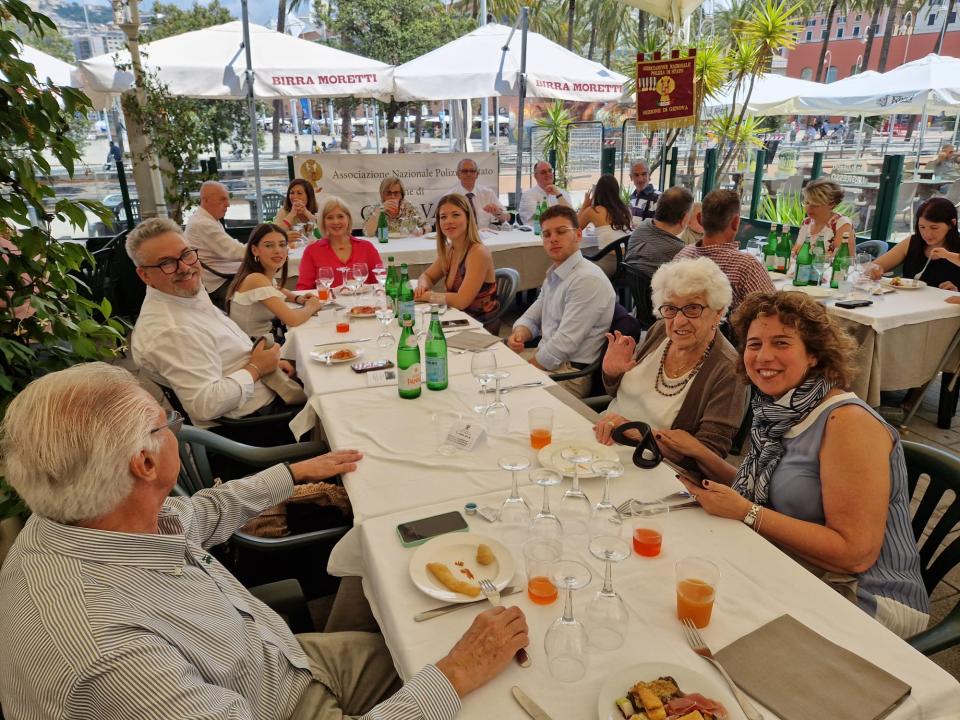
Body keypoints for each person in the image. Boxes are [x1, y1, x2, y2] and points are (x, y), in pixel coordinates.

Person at [0, 362, 530, 720]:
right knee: (484, 689)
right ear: (143, 463)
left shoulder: (82, 520)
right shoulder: (110, 655)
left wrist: (295, 473)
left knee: (441, 643)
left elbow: (202, 512)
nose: (177, 432)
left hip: (277, 660)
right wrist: (452, 675)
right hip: (273, 706)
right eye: (169, 426)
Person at [656, 291, 930, 637]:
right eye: (753, 344)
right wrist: (699, 454)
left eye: (781, 343)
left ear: (814, 354)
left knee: (705, 628)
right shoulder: (779, 408)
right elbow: (765, 490)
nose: (763, 356)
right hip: (792, 564)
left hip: (862, 597)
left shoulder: (846, 422)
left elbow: (854, 554)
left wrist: (746, 513)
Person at [128, 218, 301, 430]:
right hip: (256, 427)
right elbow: (205, 405)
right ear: (144, 275)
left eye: (186, 254)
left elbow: (224, 351)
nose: (184, 268)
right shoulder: (170, 329)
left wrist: (267, 364)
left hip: (269, 390)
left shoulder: (183, 294)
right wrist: (257, 368)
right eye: (166, 263)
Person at [594, 258, 744, 459]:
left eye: (693, 308)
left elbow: (709, 455)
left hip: (653, 465)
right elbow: (620, 395)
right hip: (604, 437)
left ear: (718, 312)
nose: (679, 321)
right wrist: (613, 374)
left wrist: (640, 433)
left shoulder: (728, 369)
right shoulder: (660, 332)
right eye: (671, 309)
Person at [507, 205, 616, 397]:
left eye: (561, 232)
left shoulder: (586, 280)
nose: (553, 239)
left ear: (579, 235)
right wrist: (520, 333)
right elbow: (531, 317)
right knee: (486, 373)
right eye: (547, 234)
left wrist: (526, 369)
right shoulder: (556, 274)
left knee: (504, 393)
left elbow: (564, 344)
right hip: (546, 361)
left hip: (568, 374)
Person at [674, 189, 775, 313]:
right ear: (736, 222)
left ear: (700, 219)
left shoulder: (681, 257)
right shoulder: (747, 267)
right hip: (725, 332)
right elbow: (771, 312)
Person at [414, 193, 501, 331]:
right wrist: (422, 287)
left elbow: (461, 301)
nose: (448, 221)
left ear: (468, 218)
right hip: (456, 320)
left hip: (479, 328)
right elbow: (428, 276)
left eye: (455, 215)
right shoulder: (450, 250)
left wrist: (425, 296)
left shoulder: (478, 252)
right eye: (443, 217)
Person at [227, 223, 322, 339]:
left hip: (263, 342)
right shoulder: (256, 279)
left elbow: (276, 289)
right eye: (269, 246)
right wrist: (311, 306)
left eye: (282, 245)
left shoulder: (260, 276)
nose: (278, 250)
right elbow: (293, 319)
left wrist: (298, 298)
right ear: (255, 250)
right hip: (255, 349)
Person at [867, 197, 960, 291]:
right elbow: (874, 266)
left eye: (934, 228)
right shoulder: (912, 242)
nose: (927, 234)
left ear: (952, 223)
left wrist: (957, 292)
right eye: (922, 227)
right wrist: (874, 270)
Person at [296, 196, 383, 290]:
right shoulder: (312, 251)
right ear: (323, 222)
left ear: (348, 219)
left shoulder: (367, 247)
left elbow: (380, 284)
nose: (336, 222)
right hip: (327, 304)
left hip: (364, 303)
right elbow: (303, 290)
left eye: (340, 216)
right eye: (330, 217)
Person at [184, 180, 246, 295]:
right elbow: (236, 252)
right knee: (267, 279)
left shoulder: (206, 220)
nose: (228, 204)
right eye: (223, 199)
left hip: (223, 277)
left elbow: (234, 249)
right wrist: (265, 248)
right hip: (219, 283)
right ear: (206, 200)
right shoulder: (203, 223)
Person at [624, 186, 694, 279]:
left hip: (633, 288)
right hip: (657, 292)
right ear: (685, 219)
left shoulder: (641, 227)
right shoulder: (679, 251)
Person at [577, 174, 632, 273]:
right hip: (626, 264)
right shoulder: (625, 209)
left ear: (597, 192)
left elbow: (574, 228)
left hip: (607, 266)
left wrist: (584, 205)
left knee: (575, 264)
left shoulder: (594, 210)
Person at [791, 178, 855, 258]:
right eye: (807, 203)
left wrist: (807, 253)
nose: (809, 208)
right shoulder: (806, 222)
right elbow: (796, 250)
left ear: (831, 204)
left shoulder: (842, 224)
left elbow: (845, 259)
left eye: (815, 205)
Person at [440, 158, 509, 229]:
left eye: (472, 171)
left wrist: (496, 211)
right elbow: (443, 223)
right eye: (464, 171)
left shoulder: (488, 193)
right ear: (458, 174)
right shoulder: (449, 197)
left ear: (477, 174)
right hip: (459, 237)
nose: (468, 174)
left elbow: (507, 218)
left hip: (484, 237)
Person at [362, 177, 428, 237]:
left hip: (407, 245)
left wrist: (422, 230)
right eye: (388, 193)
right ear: (382, 194)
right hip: (384, 245)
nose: (392, 196)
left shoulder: (410, 207)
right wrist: (378, 212)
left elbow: (427, 226)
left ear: (402, 195)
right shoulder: (375, 208)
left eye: (396, 193)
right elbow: (368, 233)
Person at [518, 160, 572, 225]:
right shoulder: (528, 196)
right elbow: (542, 218)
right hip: (535, 233)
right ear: (535, 176)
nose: (548, 174)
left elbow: (571, 215)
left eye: (550, 171)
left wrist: (558, 194)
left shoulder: (562, 193)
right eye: (543, 172)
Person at [274, 179, 320, 245]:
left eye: (299, 193)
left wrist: (306, 212)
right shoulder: (283, 211)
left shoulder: (318, 208)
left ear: (309, 196)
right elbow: (275, 234)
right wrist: (291, 214)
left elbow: (323, 229)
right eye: (292, 193)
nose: (295, 197)